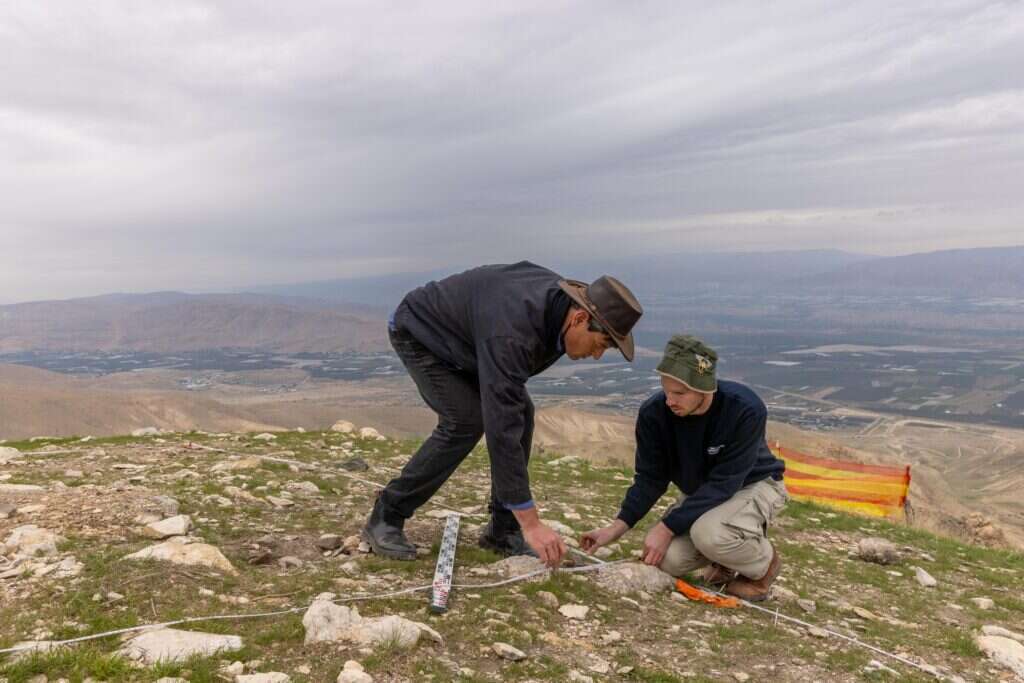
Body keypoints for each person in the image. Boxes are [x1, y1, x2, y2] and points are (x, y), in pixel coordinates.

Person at [362, 261, 643, 568]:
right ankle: (386, 515)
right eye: (601, 344)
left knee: (521, 412)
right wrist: (532, 523)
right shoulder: (515, 330)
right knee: (465, 421)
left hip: (472, 345)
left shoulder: (558, 313)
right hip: (421, 333)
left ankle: (502, 531)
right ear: (579, 318)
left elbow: (509, 401)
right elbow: (501, 423)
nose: (597, 355)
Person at [581, 335, 788, 601]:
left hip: (753, 484)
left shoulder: (744, 409)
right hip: (705, 492)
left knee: (710, 534)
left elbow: (726, 482)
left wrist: (667, 526)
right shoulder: (654, 414)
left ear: (705, 388)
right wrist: (616, 528)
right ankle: (724, 561)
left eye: (680, 393)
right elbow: (651, 478)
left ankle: (764, 567)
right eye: (666, 391)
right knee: (666, 560)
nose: (670, 401)